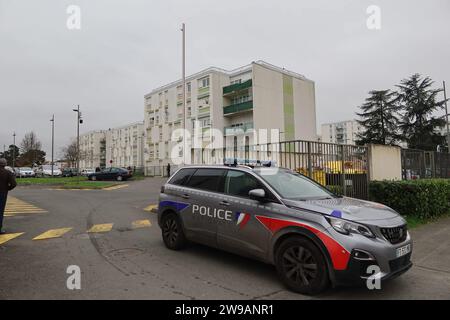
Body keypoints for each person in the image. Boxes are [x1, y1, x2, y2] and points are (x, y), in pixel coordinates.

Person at [0, 158, 17, 234]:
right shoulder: (8, 173)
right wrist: (7, 188)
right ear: (5, 164)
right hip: (2, 194)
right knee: (0, 211)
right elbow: (14, 184)